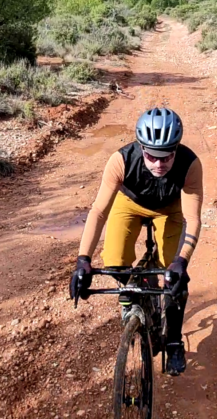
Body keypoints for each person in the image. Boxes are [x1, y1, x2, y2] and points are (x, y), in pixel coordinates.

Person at [68, 107, 203, 376]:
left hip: (171, 210)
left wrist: (181, 261)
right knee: (115, 261)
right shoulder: (121, 160)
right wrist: (83, 260)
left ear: (176, 149)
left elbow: (192, 218)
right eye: (151, 155)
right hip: (129, 204)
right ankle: (131, 295)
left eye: (167, 156)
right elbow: (98, 212)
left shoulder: (190, 165)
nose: (158, 164)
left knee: (173, 276)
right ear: (141, 147)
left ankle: (174, 340)